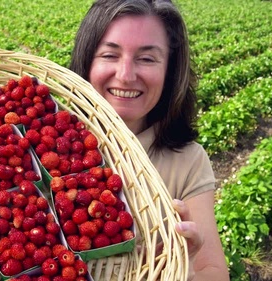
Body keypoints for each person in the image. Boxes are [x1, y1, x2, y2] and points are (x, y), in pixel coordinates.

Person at [69, 0, 229, 280]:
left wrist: (182, 271)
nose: (126, 75)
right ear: (87, 60)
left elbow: (214, 272)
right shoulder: (50, 138)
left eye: (146, 59)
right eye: (109, 55)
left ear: (170, 72)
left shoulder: (186, 161)